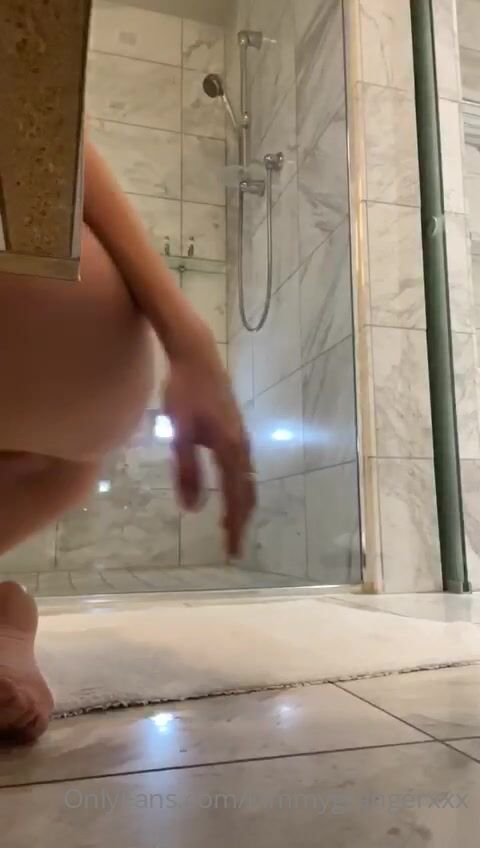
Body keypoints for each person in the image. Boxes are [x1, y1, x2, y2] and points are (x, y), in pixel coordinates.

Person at [0, 139, 256, 743]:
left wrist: (192, 345)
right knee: (63, 471)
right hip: (75, 390)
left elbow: (49, 132)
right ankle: (8, 629)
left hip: (53, 357)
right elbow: (48, 134)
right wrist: (188, 341)